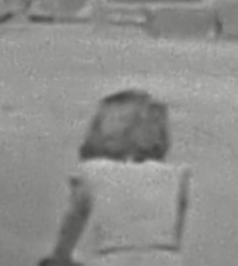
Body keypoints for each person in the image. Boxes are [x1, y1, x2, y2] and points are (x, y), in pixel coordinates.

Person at [43, 88, 190, 266]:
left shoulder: (90, 172)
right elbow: (176, 235)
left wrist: (60, 257)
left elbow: (72, 224)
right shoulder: (177, 176)